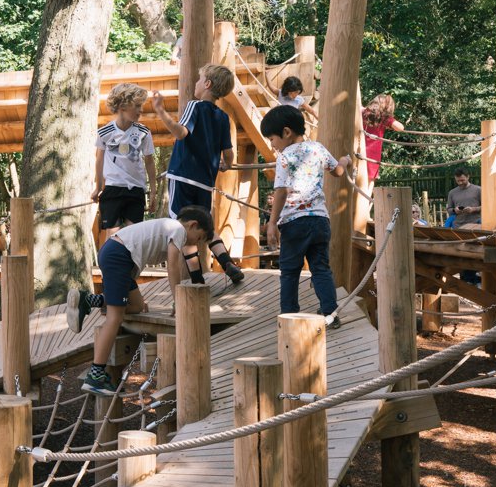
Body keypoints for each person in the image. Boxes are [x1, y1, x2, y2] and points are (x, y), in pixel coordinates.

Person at [66, 206, 216, 394]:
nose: (197, 242)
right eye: (200, 237)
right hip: (118, 256)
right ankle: (95, 376)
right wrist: (178, 299)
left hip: (117, 255)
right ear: (193, 225)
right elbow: (172, 267)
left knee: (137, 306)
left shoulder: (167, 226)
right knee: (115, 317)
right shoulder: (178, 230)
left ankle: (89, 300)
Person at [151, 63, 245, 284]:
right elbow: (229, 155)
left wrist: (160, 110)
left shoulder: (195, 106)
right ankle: (228, 263)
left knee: (183, 227)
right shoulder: (223, 118)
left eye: (199, 78)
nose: (195, 83)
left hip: (182, 176)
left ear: (207, 84)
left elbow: (181, 133)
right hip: (205, 182)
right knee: (205, 224)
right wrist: (225, 165)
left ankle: (196, 278)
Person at [262, 103, 352, 325]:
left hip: (294, 223)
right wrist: (345, 160)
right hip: (320, 220)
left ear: (286, 132)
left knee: (290, 271)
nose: (272, 145)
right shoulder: (318, 148)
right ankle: (330, 313)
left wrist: (272, 222)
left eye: (272, 139)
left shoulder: (285, 157)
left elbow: (281, 191)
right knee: (320, 268)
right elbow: (338, 172)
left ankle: (290, 316)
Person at [94, 83, 157, 238]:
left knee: (135, 235)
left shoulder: (143, 132)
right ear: (122, 106)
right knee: (112, 234)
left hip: (136, 189)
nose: (140, 110)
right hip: (113, 188)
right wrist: (98, 187)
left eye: (141, 105)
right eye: (136, 106)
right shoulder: (104, 132)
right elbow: (99, 159)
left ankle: (134, 263)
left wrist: (154, 190)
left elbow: (149, 161)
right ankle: (110, 262)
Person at [362, 93, 405, 182]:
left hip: (359, 150)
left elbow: (359, 107)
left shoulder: (363, 112)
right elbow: (401, 128)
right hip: (372, 154)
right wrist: (389, 124)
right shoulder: (384, 118)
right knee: (370, 181)